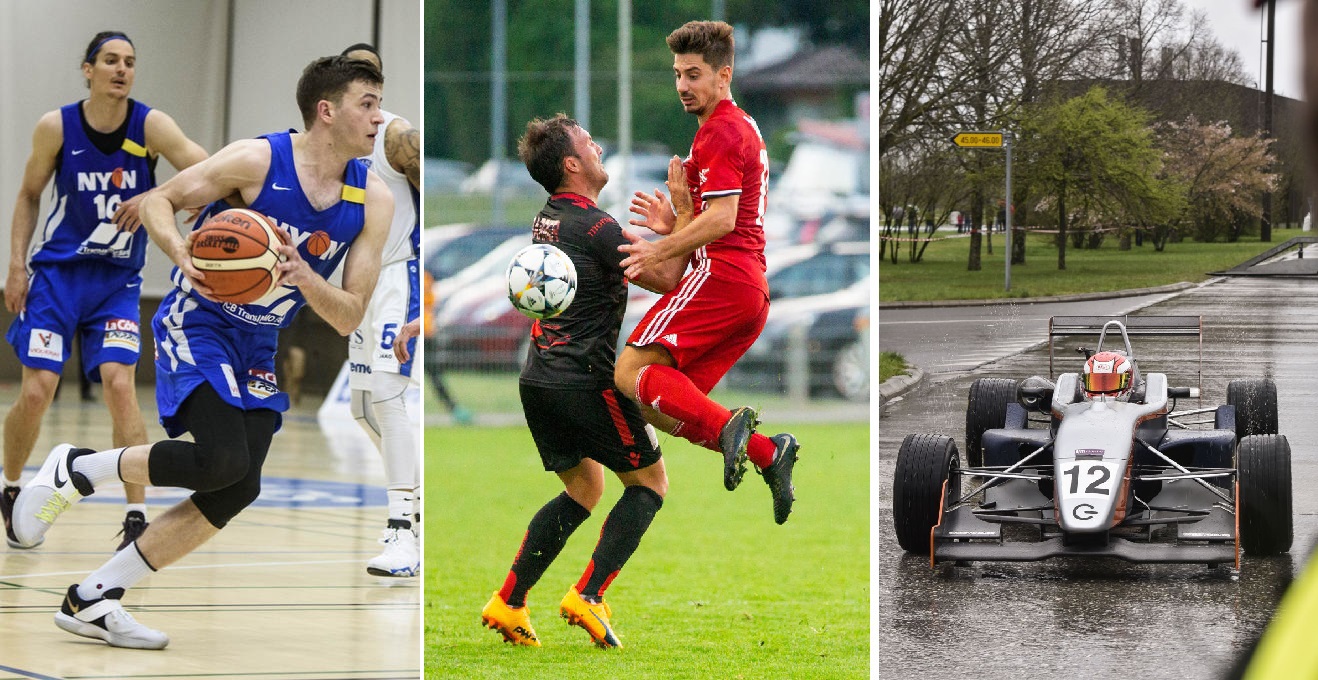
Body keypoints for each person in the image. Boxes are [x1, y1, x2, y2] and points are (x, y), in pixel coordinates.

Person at [10, 55, 392, 650]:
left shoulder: (372, 197)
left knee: (239, 485)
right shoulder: (258, 159)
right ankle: (78, 469)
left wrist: (303, 277)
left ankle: (93, 597)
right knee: (220, 460)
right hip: (200, 321)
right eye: (367, 103)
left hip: (261, 340)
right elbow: (159, 201)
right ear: (328, 110)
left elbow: (348, 316)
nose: (378, 117)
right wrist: (182, 252)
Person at [480, 114, 684, 649]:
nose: (598, 148)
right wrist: (679, 225)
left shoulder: (548, 219)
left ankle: (509, 601)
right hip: (585, 380)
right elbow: (665, 278)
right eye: (589, 143)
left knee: (584, 487)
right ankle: (588, 595)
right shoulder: (595, 227)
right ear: (572, 164)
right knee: (650, 483)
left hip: (538, 377)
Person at [1, 31, 208, 551]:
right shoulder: (57, 127)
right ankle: (8, 486)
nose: (122, 69)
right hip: (58, 279)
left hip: (117, 282)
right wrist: (16, 267)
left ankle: (136, 515)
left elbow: (204, 168)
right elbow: (28, 195)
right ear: (87, 69)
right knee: (36, 390)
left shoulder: (150, 125)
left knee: (120, 386)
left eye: (131, 62)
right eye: (111, 61)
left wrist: (157, 197)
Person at [618, 20, 798, 525]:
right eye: (677, 74)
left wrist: (659, 247)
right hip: (746, 292)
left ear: (724, 75)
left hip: (724, 275)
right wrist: (675, 218)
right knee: (659, 402)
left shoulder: (720, 129)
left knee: (628, 372)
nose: (681, 86)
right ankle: (768, 452)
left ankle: (733, 432)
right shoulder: (737, 125)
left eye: (693, 74)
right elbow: (688, 258)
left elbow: (721, 221)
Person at [340, 43, 421, 578]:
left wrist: (424, 299)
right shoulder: (329, 144)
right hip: (361, 287)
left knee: (388, 400)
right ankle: (413, 501)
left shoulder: (396, 136)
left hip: (397, 277)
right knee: (362, 409)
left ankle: (402, 534)